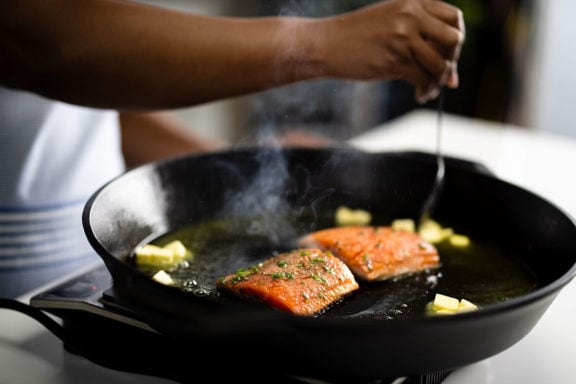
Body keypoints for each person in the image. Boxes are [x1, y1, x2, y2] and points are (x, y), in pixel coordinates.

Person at [0, 0, 465, 298]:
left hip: (94, 271)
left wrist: (232, 166)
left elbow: (87, 98)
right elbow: (34, 42)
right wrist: (324, 42)